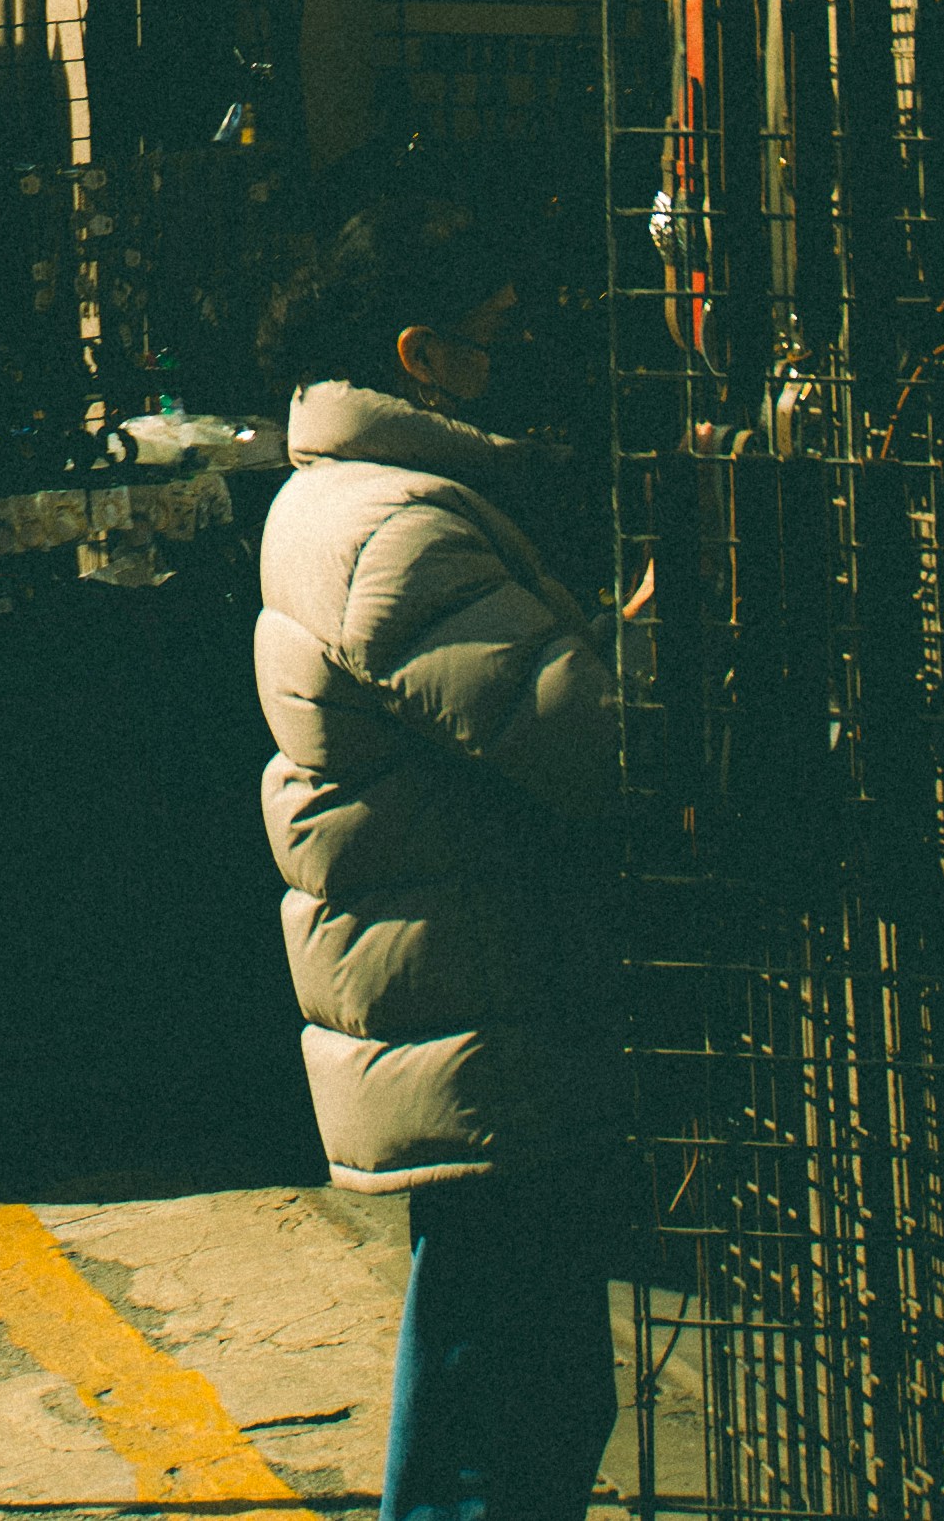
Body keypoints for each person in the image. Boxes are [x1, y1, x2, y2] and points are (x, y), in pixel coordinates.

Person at [254, 210, 633, 1521]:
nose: (513, 360)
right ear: (418, 351)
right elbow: (582, 739)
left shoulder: (340, 497)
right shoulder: (398, 522)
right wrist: (649, 646)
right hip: (472, 1012)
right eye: (494, 337)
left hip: (447, 1001)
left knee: (486, 1372)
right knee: (507, 1405)